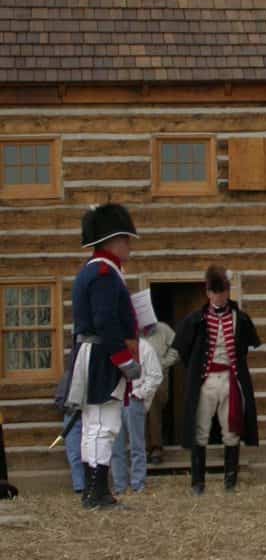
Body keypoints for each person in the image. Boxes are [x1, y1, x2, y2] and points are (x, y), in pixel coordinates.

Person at [68, 203, 141, 510]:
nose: (129, 245)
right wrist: (124, 360)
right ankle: (98, 492)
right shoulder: (102, 273)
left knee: (94, 423)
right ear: (113, 240)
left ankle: (93, 490)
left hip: (94, 351)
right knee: (103, 423)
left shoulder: (98, 271)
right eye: (126, 239)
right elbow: (105, 321)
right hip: (101, 353)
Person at [173, 265, 261, 495]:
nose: (219, 296)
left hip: (230, 379)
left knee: (231, 429)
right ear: (208, 293)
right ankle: (198, 482)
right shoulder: (195, 320)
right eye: (215, 292)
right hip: (206, 381)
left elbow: (247, 347)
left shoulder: (240, 318)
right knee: (200, 429)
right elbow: (183, 350)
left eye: (223, 292)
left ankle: (230, 482)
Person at [110, 330, 163, 494]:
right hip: (115, 400)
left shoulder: (145, 348)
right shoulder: (113, 346)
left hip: (133, 399)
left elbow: (155, 376)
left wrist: (139, 393)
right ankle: (120, 485)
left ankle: (138, 484)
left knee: (137, 445)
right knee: (115, 447)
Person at [143, 319, 178, 466]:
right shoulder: (132, 330)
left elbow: (176, 348)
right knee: (139, 410)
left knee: (154, 407)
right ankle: (143, 449)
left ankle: (156, 448)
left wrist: (163, 362)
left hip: (159, 376)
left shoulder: (163, 329)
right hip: (139, 377)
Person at [54, 365, 85, 494]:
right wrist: (69, 409)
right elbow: (59, 398)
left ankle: (94, 485)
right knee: (75, 453)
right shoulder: (69, 375)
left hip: (91, 414)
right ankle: (80, 486)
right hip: (72, 416)